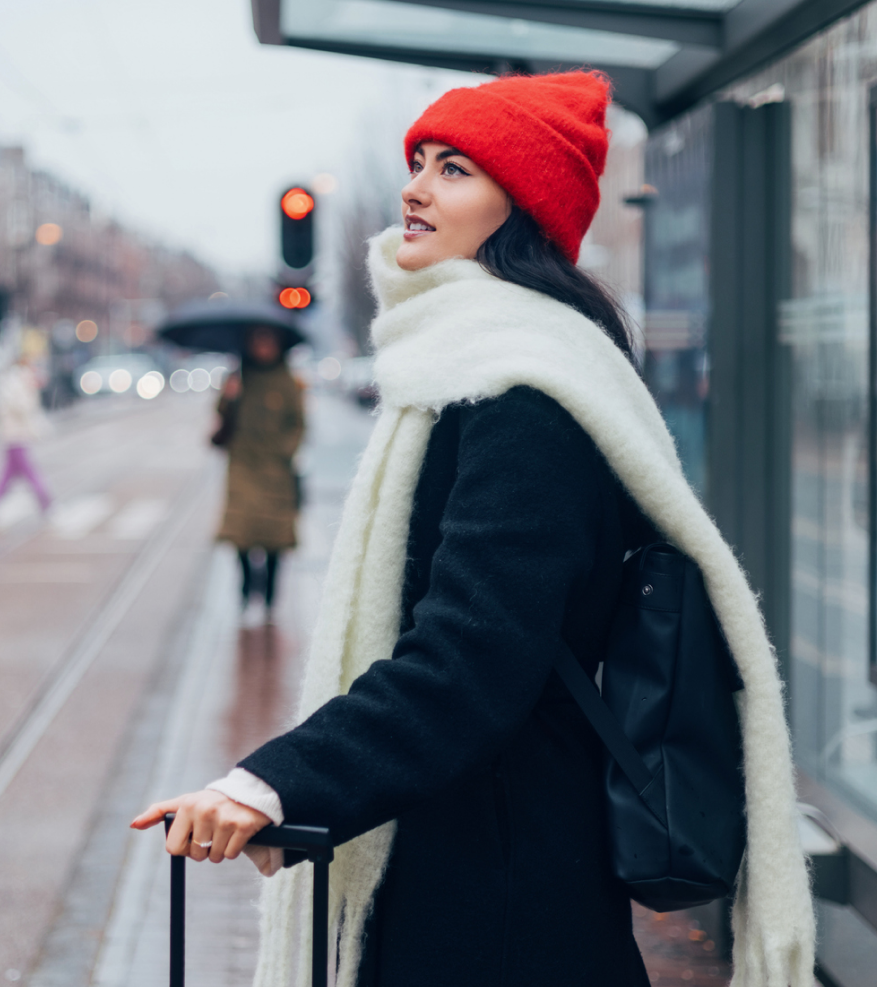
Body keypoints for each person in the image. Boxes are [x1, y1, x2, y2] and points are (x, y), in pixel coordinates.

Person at [132, 71, 816, 987]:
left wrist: (277, 781)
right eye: (418, 162)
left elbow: (470, 660)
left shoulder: (523, 394)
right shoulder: (470, 367)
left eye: (454, 169)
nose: (415, 188)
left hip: (501, 884)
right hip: (488, 854)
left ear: (521, 205)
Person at [215, 326, 304, 626]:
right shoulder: (238, 377)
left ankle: (268, 594)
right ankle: (245, 586)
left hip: (276, 470)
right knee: (241, 532)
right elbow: (221, 416)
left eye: (269, 341)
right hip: (242, 465)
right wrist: (229, 397)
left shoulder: (287, 380)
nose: (263, 346)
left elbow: (298, 424)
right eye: (257, 340)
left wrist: (284, 452)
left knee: (274, 538)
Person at [0, 355, 52, 514]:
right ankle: (48, 505)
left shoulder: (17, 381)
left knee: (7, 478)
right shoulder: (17, 382)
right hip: (15, 437)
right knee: (31, 474)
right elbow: (22, 408)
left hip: (15, 437)